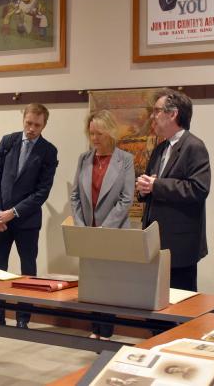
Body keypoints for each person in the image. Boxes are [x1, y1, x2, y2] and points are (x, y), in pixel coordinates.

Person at [0, 103, 58, 328]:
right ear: (23, 119)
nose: (31, 129)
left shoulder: (48, 151)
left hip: (26, 221)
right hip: (0, 220)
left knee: (28, 269)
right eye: (29, 123)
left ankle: (23, 317)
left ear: (44, 125)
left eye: (37, 125)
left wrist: (13, 213)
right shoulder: (8, 142)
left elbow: (41, 192)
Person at [136, 88, 211, 291]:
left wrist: (156, 185)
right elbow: (153, 184)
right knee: (153, 306)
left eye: (157, 111)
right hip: (154, 242)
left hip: (179, 246)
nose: (153, 116)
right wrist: (143, 189)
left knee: (179, 309)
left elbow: (198, 189)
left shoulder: (194, 146)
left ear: (173, 114)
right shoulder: (160, 148)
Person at [70, 110, 135, 340]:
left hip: (113, 232)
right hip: (88, 231)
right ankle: (94, 328)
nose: (94, 138)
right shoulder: (84, 159)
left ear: (110, 133)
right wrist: (81, 227)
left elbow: (126, 199)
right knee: (92, 282)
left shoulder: (125, 160)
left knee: (110, 284)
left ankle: (106, 330)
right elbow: (75, 196)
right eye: (91, 134)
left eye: (99, 133)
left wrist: (103, 230)